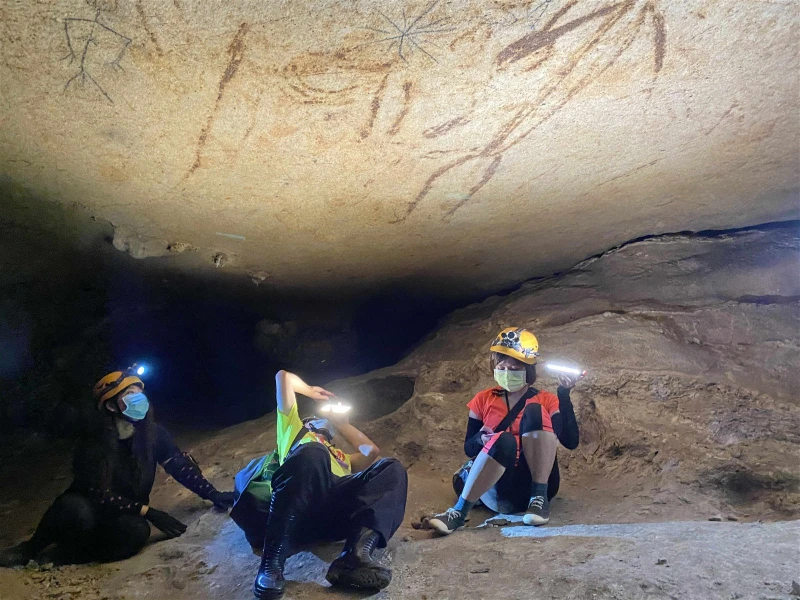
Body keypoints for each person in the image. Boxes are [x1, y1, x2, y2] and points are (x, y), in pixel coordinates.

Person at [0, 367, 234, 566]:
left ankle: (67, 555)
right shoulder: (95, 441)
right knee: (73, 510)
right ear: (112, 406)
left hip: (123, 512)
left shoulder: (153, 435)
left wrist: (212, 494)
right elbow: (99, 495)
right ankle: (30, 549)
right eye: (130, 395)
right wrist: (149, 512)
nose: (139, 399)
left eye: (140, 393)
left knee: (136, 533)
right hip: (88, 508)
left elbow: (178, 465)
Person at [250, 370, 407, 599]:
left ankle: (354, 557)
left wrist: (343, 424)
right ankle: (272, 562)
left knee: (391, 468)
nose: (324, 423)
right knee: (314, 452)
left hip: (332, 519)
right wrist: (310, 391)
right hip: (296, 514)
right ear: (306, 423)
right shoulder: (294, 433)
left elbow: (370, 452)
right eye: (316, 420)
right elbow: (282, 377)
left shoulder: (341, 456)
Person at [429, 327, 581, 535]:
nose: (507, 373)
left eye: (515, 367)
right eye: (502, 367)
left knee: (535, 412)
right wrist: (480, 439)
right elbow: (468, 447)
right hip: (501, 489)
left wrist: (563, 394)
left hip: (539, 483)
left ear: (528, 369)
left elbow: (570, 441)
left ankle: (538, 498)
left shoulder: (545, 399)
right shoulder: (483, 399)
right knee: (504, 440)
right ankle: (458, 513)